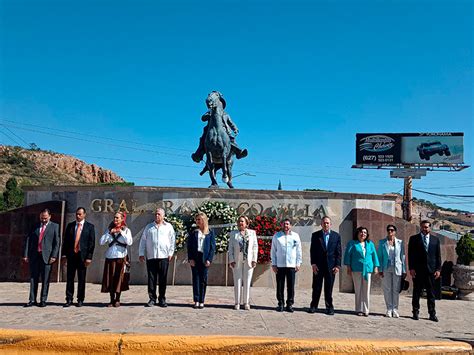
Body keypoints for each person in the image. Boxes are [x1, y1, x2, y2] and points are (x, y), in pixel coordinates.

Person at [191, 91, 248, 163]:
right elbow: (203, 118)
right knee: (203, 138)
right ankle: (199, 154)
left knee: (231, 138)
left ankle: (238, 152)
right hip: (210, 129)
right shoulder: (210, 112)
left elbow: (231, 122)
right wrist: (208, 116)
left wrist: (235, 128)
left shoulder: (225, 114)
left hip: (224, 129)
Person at [23, 208, 60, 307]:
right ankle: (32, 299)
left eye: (45, 218)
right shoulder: (34, 226)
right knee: (33, 278)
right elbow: (28, 240)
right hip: (35, 256)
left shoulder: (55, 227)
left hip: (47, 257)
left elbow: (57, 243)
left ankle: (43, 299)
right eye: (42, 218)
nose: (43, 220)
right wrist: (26, 255)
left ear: (50, 216)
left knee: (45, 279)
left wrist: (54, 255)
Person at [139, 208, 176, 307]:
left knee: (163, 279)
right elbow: (143, 240)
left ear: (163, 216)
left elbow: (172, 240)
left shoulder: (168, 227)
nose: (157, 216)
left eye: (159, 214)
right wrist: (141, 253)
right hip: (152, 256)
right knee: (151, 279)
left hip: (164, 256)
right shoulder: (149, 227)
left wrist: (171, 252)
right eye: (155, 214)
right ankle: (152, 298)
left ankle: (162, 299)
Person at [61, 207, 96, 307]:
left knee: (81, 279)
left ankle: (80, 299)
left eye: (80, 214)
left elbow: (91, 243)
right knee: (70, 278)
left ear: (84, 214)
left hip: (82, 257)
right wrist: (64, 254)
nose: (78, 216)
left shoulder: (90, 227)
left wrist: (89, 257)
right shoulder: (70, 226)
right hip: (72, 256)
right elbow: (66, 242)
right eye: (77, 214)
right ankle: (69, 298)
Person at [408, 220, 441, 322]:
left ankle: (432, 314)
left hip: (431, 271)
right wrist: (411, 268)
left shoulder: (435, 240)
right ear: (420, 227)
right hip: (418, 271)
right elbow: (411, 255)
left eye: (426, 227)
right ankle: (415, 312)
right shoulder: (414, 239)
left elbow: (438, 256)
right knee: (417, 292)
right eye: (423, 227)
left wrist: (438, 269)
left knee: (431, 293)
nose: (424, 229)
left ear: (429, 228)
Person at [309, 216, 342, 315]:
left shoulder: (336, 236)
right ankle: (313, 306)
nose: (326, 224)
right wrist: (313, 264)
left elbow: (338, 252)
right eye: (324, 223)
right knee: (316, 287)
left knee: (329, 288)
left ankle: (329, 307)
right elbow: (313, 251)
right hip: (318, 266)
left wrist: (337, 265)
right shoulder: (316, 235)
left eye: (327, 223)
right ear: (321, 224)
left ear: (330, 224)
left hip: (331, 267)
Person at [343, 226, 380, 316]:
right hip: (356, 269)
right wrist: (348, 267)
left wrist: (376, 266)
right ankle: (359, 309)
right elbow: (348, 256)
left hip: (367, 269)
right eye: (361, 232)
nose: (363, 234)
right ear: (358, 233)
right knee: (358, 289)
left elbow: (374, 255)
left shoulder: (369, 244)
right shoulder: (352, 243)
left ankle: (366, 309)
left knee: (366, 290)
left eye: (365, 233)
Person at [100, 211, 133, 307]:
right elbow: (101, 242)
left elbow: (129, 242)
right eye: (114, 217)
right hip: (110, 256)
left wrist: (121, 232)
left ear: (122, 219)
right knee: (110, 278)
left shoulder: (126, 230)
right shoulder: (109, 229)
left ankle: (118, 299)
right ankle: (111, 299)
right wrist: (109, 233)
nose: (115, 219)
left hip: (121, 256)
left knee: (119, 278)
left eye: (117, 218)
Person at [270, 219, 302, 313]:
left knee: (290, 286)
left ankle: (289, 304)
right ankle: (280, 303)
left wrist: (298, 263)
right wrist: (274, 264)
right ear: (281, 225)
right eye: (284, 224)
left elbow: (298, 251)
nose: (286, 226)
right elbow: (273, 251)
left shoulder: (295, 236)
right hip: (280, 265)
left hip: (291, 265)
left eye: (288, 224)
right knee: (280, 286)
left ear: (290, 225)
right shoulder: (277, 236)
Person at [228, 216, 258, 310]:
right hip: (237, 259)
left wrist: (254, 259)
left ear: (246, 223)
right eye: (239, 221)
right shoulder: (234, 233)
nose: (240, 223)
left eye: (242, 221)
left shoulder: (252, 233)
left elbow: (255, 247)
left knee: (247, 282)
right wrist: (231, 260)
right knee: (237, 281)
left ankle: (246, 302)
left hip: (248, 260)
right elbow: (230, 248)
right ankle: (237, 302)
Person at [187, 212, 216, 309]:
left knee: (203, 280)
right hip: (195, 257)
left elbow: (212, 247)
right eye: (197, 220)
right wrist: (190, 258)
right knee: (196, 279)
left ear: (204, 220)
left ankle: (202, 300)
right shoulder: (194, 232)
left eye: (199, 219)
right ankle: (196, 300)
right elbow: (189, 246)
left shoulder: (210, 232)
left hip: (204, 258)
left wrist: (209, 259)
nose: (198, 221)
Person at [377, 224, 406, 318]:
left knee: (396, 289)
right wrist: (380, 269)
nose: (390, 232)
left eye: (392, 230)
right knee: (387, 289)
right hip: (386, 267)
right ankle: (389, 308)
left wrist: (404, 270)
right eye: (388, 230)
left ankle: (395, 309)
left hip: (397, 267)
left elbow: (403, 257)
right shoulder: (382, 242)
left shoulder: (400, 242)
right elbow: (380, 257)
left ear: (395, 231)